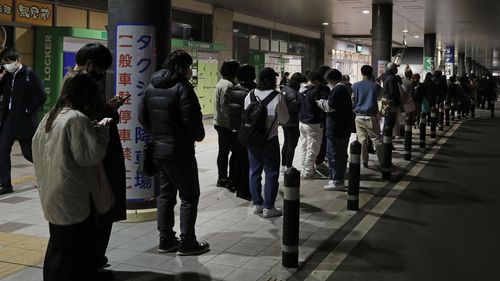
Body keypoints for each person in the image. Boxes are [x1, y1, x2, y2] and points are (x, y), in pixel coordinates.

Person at [32, 73, 113, 281]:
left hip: (52, 191)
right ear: (85, 94)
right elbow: (89, 156)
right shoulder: (76, 119)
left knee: (59, 247)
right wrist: (102, 131)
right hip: (73, 196)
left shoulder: (52, 115)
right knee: (75, 250)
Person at [139, 50, 209, 255]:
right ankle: (187, 242)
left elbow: (142, 116)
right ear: (179, 68)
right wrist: (198, 135)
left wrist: (158, 134)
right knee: (189, 195)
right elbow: (191, 120)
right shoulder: (183, 88)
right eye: (188, 67)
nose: (189, 71)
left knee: (165, 195)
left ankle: (166, 239)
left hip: (159, 151)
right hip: (180, 152)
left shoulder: (150, 87)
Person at [66, 43, 126, 271]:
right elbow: (89, 116)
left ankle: (94, 260)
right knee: (99, 213)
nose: (101, 74)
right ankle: (93, 262)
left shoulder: (76, 81)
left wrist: (108, 106)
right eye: (100, 69)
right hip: (97, 158)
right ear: (90, 64)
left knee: (101, 212)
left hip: (97, 155)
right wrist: (110, 109)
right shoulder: (79, 83)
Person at [0, 48, 45, 195]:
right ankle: (6, 185)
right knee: (2, 150)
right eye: (4, 63)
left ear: (17, 60)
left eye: (9, 62)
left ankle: (47, 175)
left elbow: (41, 95)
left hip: (25, 121)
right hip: (8, 120)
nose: (7, 66)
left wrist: (27, 110)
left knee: (28, 153)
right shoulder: (7, 76)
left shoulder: (29, 74)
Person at [246, 67, 288, 218]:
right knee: (271, 172)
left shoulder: (250, 94)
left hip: (252, 139)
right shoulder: (278, 97)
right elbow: (284, 119)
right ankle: (269, 207)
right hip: (270, 139)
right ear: (273, 80)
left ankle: (257, 204)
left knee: (254, 171)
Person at [317, 69, 355, 190]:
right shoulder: (344, 89)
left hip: (336, 128)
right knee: (340, 154)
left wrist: (321, 103)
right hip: (343, 127)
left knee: (334, 154)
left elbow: (330, 107)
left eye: (328, 81)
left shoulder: (338, 90)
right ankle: (338, 179)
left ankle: (337, 181)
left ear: (331, 80)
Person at [228, 64, 256, 200]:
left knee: (239, 160)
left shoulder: (234, 89)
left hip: (236, 130)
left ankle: (239, 188)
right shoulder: (252, 91)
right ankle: (246, 190)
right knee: (248, 161)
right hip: (248, 130)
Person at [214, 59, 240, 191]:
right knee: (236, 151)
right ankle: (231, 179)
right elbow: (225, 107)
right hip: (226, 125)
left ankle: (222, 178)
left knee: (223, 151)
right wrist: (233, 124)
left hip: (219, 123)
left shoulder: (222, 82)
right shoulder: (228, 85)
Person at [351, 65, 384, 168]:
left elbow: (352, 99)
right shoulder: (375, 86)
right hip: (371, 116)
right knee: (377, 140)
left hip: (358, 116)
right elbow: (381, 98)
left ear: (362, 73)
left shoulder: (355, 86)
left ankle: (364, 161)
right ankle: (383, 162)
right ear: (371, 73)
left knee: (362, 140)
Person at [298, 71, 329, 179]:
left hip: (302, 122)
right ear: (316, 81)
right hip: (313, 123)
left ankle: (304, 168)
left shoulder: (302, 89)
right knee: (313, 148)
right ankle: (308, 172)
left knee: (304, 146)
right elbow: (321, 105)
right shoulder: (315, 91)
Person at [281, 72, 307, 170]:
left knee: (286, 142)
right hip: (292, 121)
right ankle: (289, 165)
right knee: (292, 144)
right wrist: (301, 95)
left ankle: (283, 164)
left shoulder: (285, 89)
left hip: (284, 120)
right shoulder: (293, 93)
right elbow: (295, 107)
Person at [381, 62, 401, 131]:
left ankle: (385, 137)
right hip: (390, 102)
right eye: (396, 68)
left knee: (386, 119)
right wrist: (397, 102)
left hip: (384, 100)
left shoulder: (383, 76)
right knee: (390, 120)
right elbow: (393, 91)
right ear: (393, 68)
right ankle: (386, 138)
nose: (397, 70)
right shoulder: (392, 78)